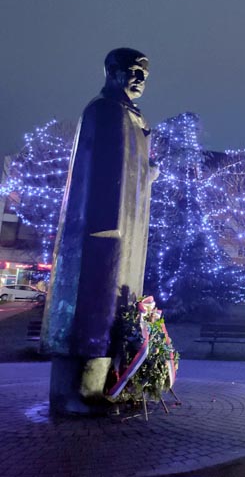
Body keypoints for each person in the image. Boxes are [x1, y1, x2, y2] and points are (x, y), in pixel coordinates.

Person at [41, 48, 155, 415]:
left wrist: (147, 175)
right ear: (112, 70)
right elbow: (101, 170)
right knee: (92, 307)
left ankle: (107, 385)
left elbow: (129, 171)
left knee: (113, 310)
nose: (140, 79)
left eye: (144, 74)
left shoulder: (132, 116)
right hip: (101, 231)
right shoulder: (103, 111)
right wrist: (106, 227)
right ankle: (75, 393)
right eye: (133, 70)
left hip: (126, 236)